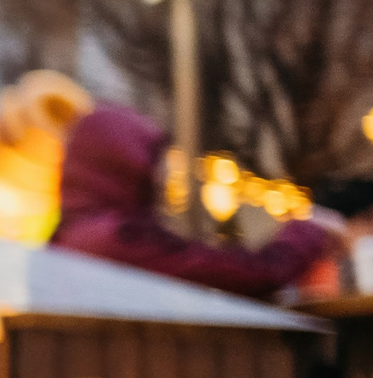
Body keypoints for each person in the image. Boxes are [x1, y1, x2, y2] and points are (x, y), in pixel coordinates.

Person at [50, 104, 339, 298]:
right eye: (153, 159)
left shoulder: (70, 238)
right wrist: (308, 230)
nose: (162, 176)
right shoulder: (118, 239)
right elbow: (251, 274)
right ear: (124, 162)